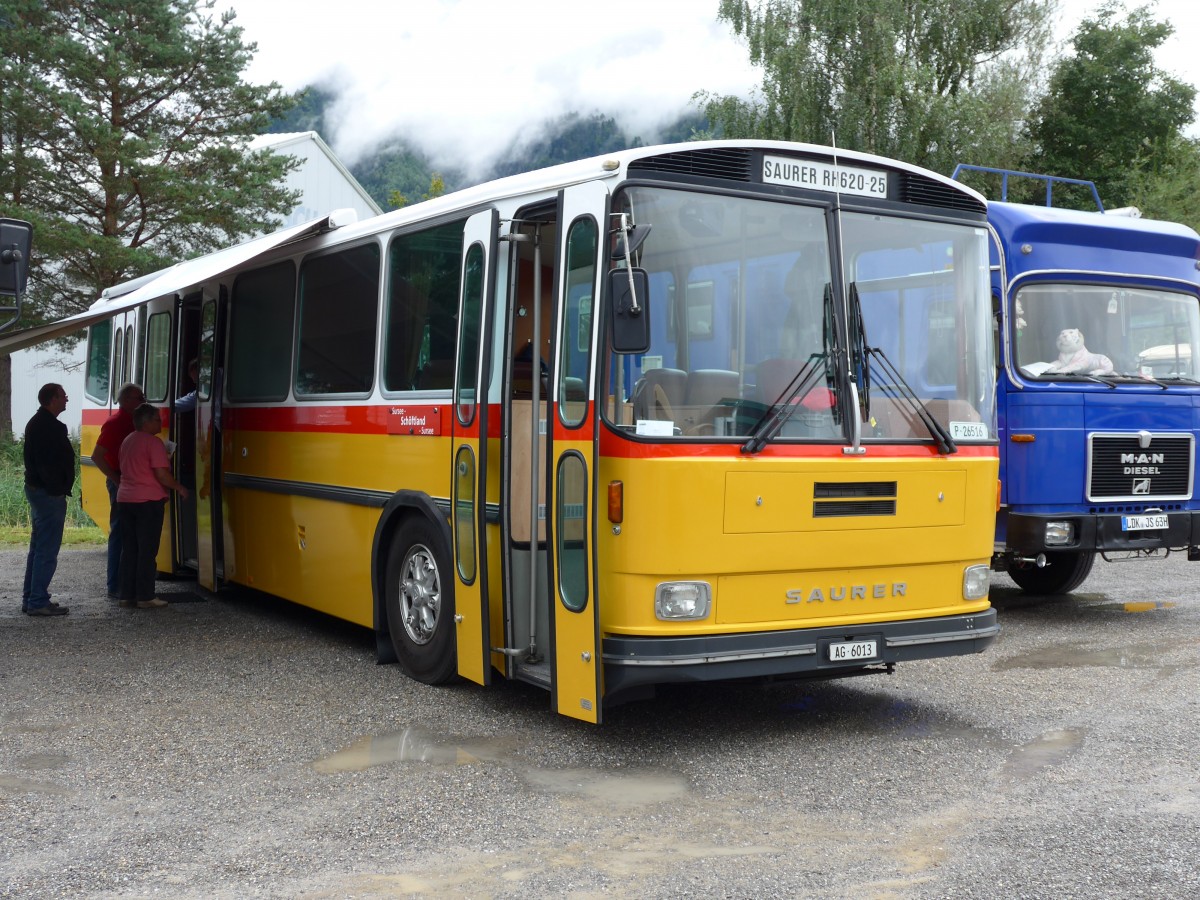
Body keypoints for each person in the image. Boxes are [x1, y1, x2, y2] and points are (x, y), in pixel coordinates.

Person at [116, 403, 189, 609]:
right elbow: (161, 475)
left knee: (130, 550)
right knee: (147, 550)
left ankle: (126, 595)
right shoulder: (153, 442)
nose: (161, 423)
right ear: (146, 422)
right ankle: (146, 596)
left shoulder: (128, 440)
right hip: (147, 502)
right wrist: (179, 487)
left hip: (125, 499)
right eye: (157, 419)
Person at [21, 383, 75, 617]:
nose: (66, 399)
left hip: (38, 490)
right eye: (63, 396)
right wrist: (56, 489)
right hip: (48, 493)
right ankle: (37, 601)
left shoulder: (37, 423)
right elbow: (48, 463)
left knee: (38, 548)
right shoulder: (49, 427)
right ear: (53, 399)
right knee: (47, 550)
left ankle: (31, 597)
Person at [91, 382, 144, 599]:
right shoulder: (115, 423)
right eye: (139, 398)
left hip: (132, 481)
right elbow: (97, 456)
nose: (143, 401)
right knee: (120, 532)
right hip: (121, 481)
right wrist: (116, 479)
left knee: (130, 533)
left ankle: (126, 582)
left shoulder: (136, 421)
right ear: (126, 401)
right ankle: (115, 584)